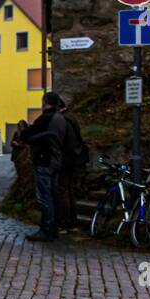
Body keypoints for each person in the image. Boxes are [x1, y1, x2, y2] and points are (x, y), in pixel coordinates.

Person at [22, 92, 67, 242]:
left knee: (45, 197)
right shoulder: (61, 118)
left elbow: (27, 134)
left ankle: (46, 229)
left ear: (45, 102)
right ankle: (53, 228)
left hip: (44, 160)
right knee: (53, 195)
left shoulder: (46, 118)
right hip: (56, 161)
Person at [57, 97, 86, 232]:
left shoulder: (63, 120)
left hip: (66, 161)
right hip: (74, 160)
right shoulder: (71, 118)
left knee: (64, 191)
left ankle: (66, 222)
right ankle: (72, 222)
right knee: (69, 190)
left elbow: (66, 142)